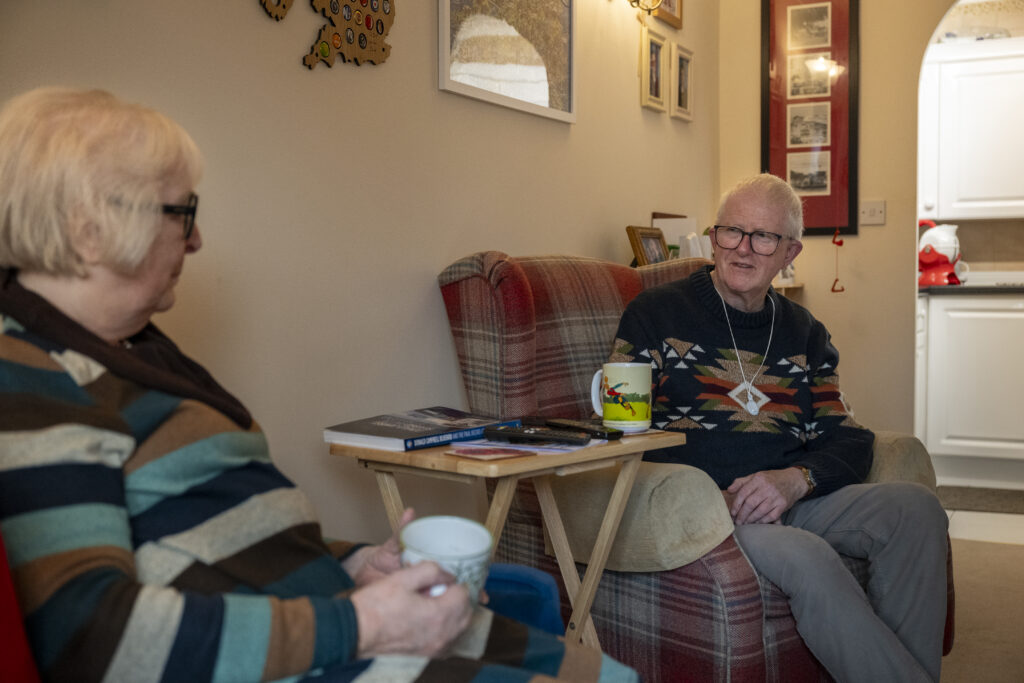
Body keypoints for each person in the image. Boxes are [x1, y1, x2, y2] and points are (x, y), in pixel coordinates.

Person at [0, 86, 637, 683]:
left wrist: (351, 563)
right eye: (182, 212)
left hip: (327, 623)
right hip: (318, 656)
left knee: (607, 674)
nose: (195, 240)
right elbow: (93, 636)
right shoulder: (32, 375)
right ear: (90, 229)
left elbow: (217, 537)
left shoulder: (127, 348)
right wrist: (364, 621)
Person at [608, 173, 948, 683]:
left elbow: (846, 435)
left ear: (790, 251)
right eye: (731, 232)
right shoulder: (655, 315)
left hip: (794, 496)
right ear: (715, 235)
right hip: (713, 509)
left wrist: (794, 481)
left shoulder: (804, 332)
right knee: (805, 556)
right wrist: (706, 495)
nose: (743, 250)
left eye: (763, 237)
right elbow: (620, 432)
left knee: (916, 509)